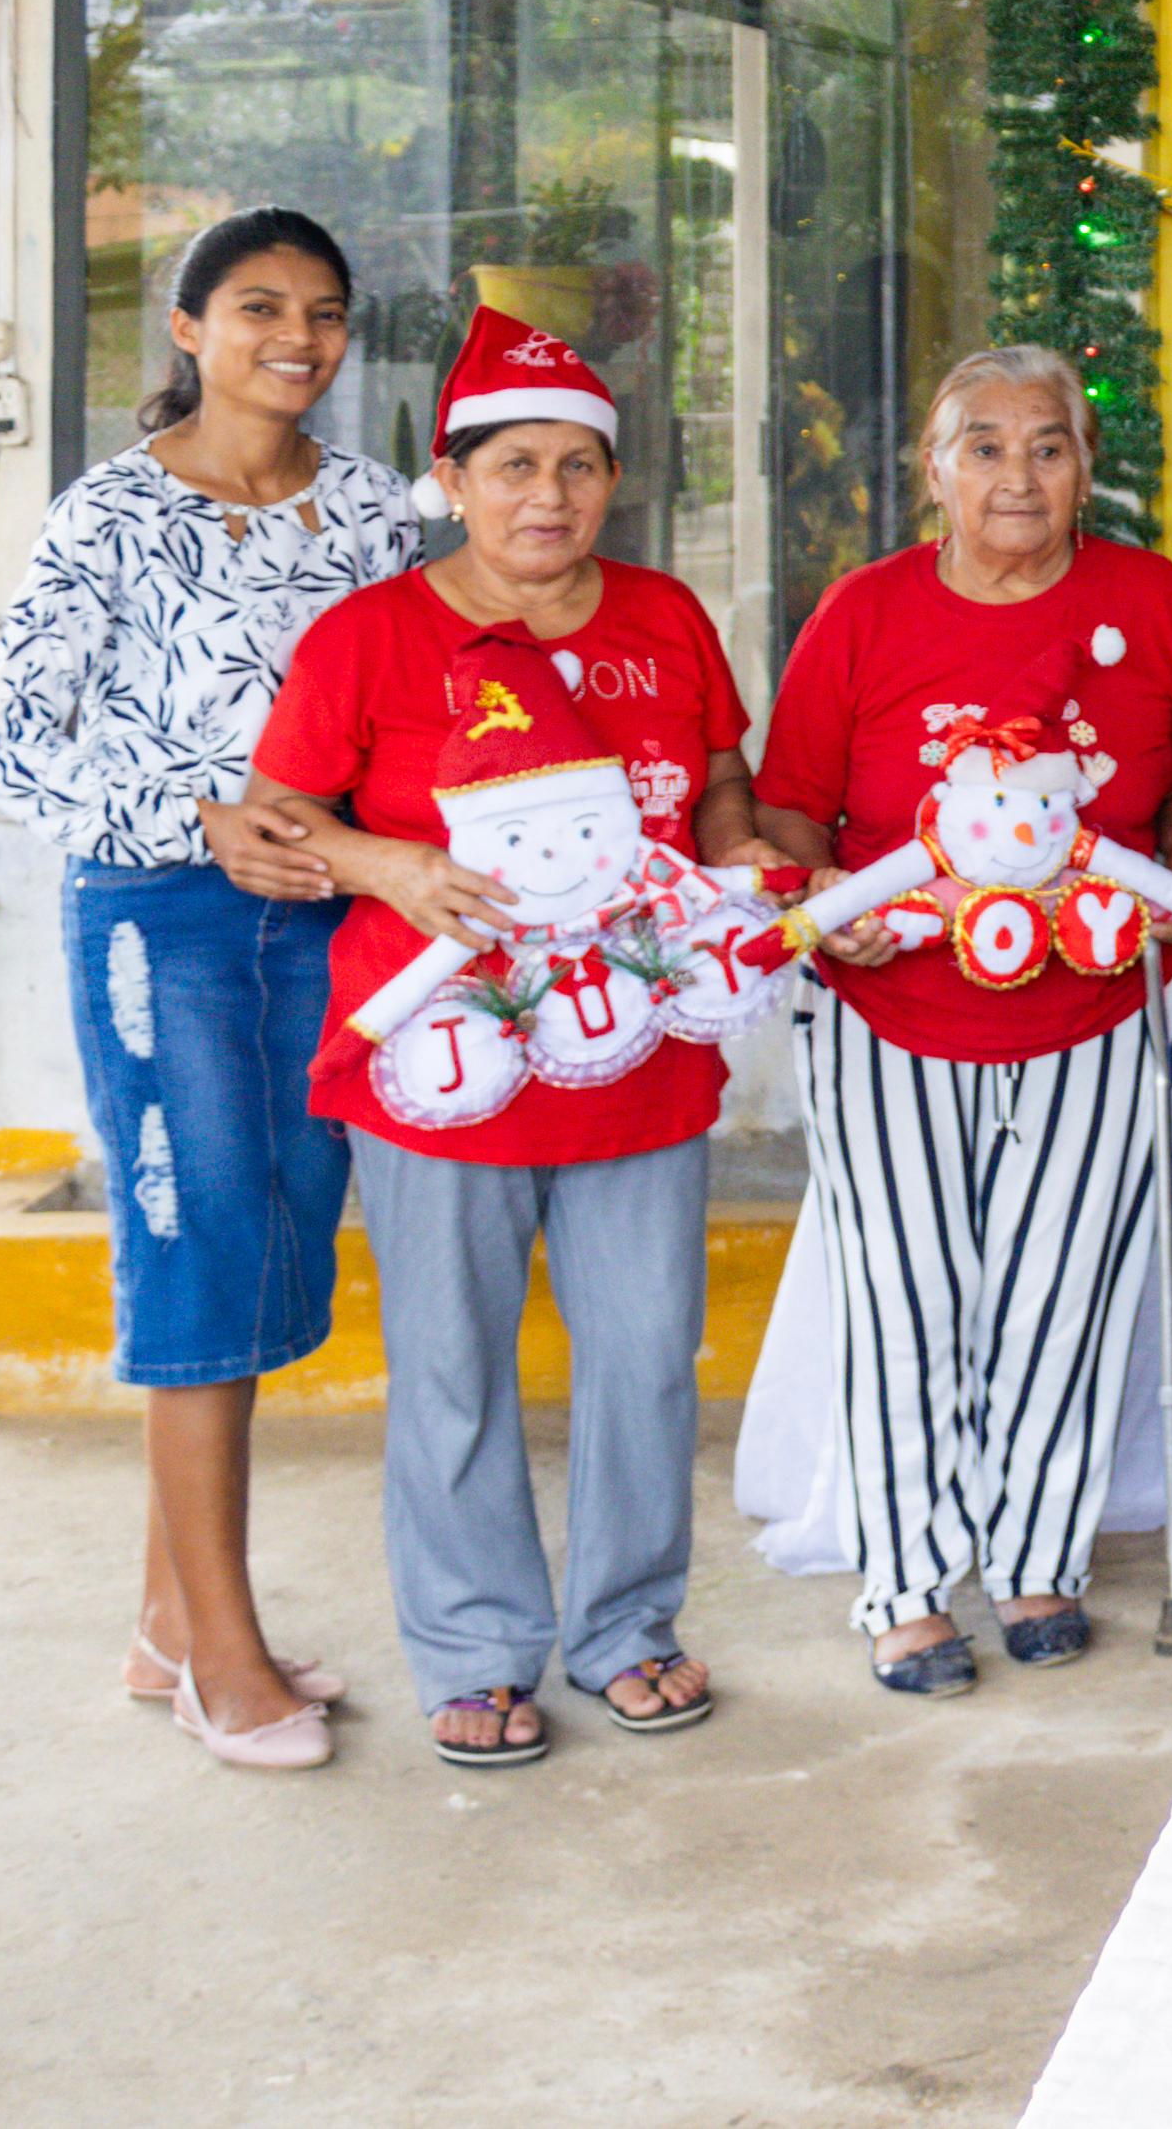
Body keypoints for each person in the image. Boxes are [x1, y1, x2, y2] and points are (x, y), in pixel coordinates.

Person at [249, 309, 781, 1768]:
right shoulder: (371, 637)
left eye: (578, 465)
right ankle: (476, 1646)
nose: (549, 495)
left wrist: (734, 858)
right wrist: (387, 865)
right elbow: (276, 817)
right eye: (513, 465)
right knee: (453, 1368)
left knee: (646, 1355)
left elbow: (718, 776)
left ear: (612, 478)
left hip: (637, 1052)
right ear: (452, 479)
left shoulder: (665, 617)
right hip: (447, 1066)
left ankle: (627, 1627)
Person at [0, 208, 415, 1771]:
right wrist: (197, 814)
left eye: (324, 311)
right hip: (165, 921)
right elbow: (9, 742)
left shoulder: (373, 512)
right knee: (199, 1238)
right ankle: (226, 1657)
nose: (298, 337)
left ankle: (167, 1620)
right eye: (259, 307)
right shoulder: (109, 515)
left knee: (272, 1235)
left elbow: (410, 702)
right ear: (189, 326)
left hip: (331, 921)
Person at [747, 349, 1172, 1695]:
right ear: (934, 468)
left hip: (1100, 1007)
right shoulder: (865, 609)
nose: (1018, 475)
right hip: (891, 1007)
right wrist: (827, 897)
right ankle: (905, 1585)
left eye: (1048, 446)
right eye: (985, 446)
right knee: (906, 1302)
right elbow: (791, 803)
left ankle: (1035, 1560)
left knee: (1065, 1295)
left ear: (1085, 465)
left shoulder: (1146, 595)